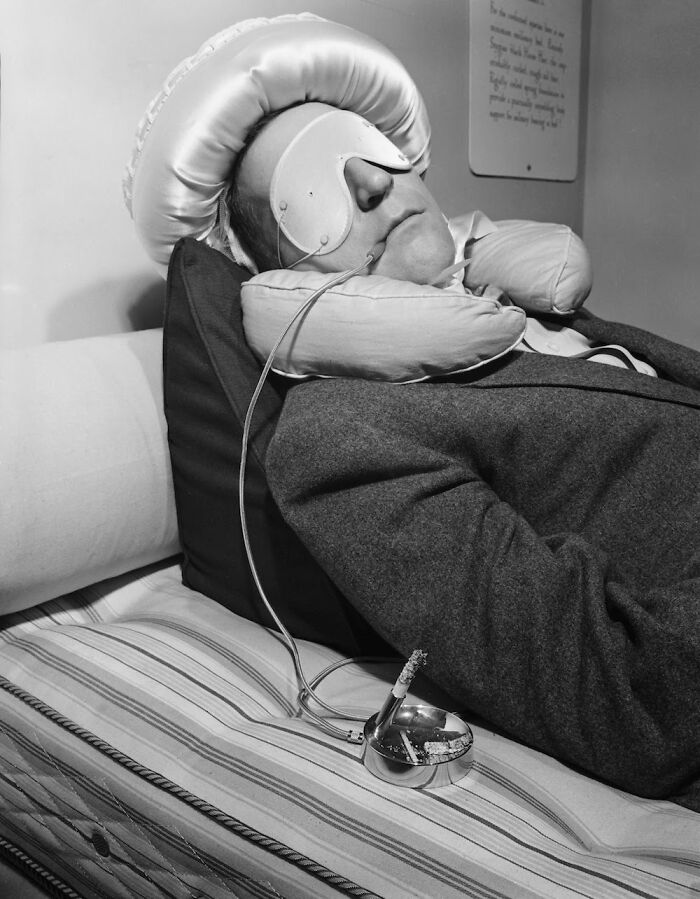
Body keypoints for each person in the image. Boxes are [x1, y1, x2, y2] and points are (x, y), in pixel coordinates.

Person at [126, 13, 700, 810]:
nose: (370, 181)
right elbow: (638, 702)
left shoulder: (518, 310)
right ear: (283, 270)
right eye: (309, 189)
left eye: (366, 147)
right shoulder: (342, 434)